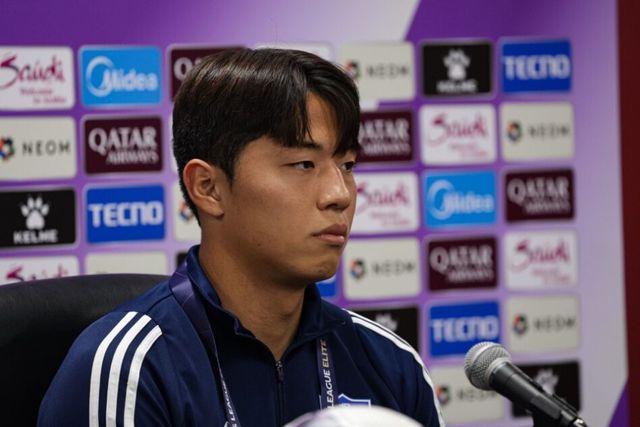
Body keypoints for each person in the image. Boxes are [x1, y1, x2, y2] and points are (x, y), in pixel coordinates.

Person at [38, 48, 444, 427]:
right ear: (208, 187)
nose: (339, 194)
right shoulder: (130, 371)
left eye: (348, 165)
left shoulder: (390, 363)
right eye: (304, 164)